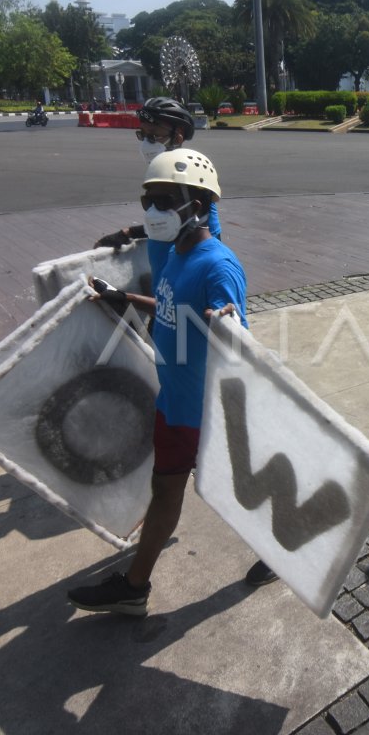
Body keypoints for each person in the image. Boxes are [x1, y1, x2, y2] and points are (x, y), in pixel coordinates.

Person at [67, 149, 275, 616]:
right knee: (167, 491)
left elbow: (233, 325)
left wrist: (225, 319)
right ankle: (135, 587)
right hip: (175, 405)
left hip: (211, 412)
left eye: (165, 200)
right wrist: (125, 298)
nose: (153, 212)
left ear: (199, 204)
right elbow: (169, 307)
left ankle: (283, 551)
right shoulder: (173, 254)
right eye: (148, 202)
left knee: (242, 492)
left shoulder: (217, 264)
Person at [95, 97, 222, 250]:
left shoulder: (192, 181)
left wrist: (129, 232)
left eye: (153, 135)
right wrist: (127, 233)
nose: (146, 143)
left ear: (177, 136)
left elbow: (186, 228)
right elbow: (161, 222)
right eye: (143, 135)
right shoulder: (159, 173)